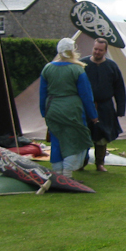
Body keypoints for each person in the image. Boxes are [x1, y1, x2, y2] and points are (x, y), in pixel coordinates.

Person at [39, 38, 99, 179]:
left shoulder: (47, 68)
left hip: (52, 109)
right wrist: (93, 115)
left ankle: (57, 173)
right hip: (72, 110)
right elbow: (86, 95)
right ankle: (67, 173)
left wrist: (44, 111)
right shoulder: (77, 69)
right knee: (75, 140)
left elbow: (42, 93)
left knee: (56, 140)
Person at [83, 37, 126, 173]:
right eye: (95, 49)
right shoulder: (82, 64)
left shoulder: (111, 66)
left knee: (102, 136)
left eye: (100, 50)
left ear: (105, 51)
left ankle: (99, 163)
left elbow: (119, 88)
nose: (97, 52)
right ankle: (80, 163)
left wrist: (120, 109)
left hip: (105, 107)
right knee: (83, 135)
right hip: (85, 106)